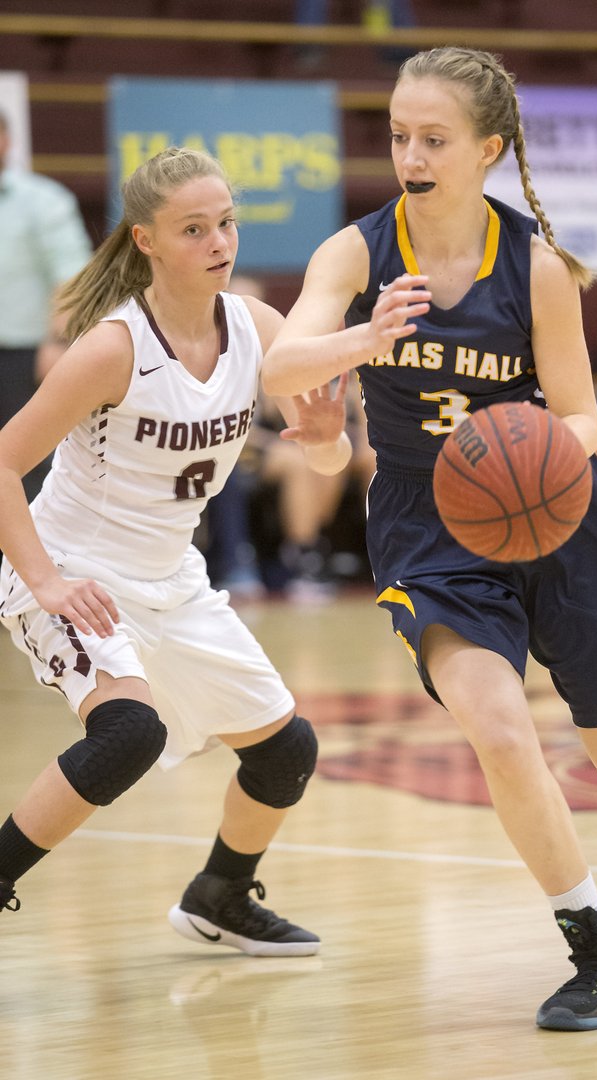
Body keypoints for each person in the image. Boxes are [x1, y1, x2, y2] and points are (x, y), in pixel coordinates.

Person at [262, 46, 597, 1031]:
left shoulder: (537, 267)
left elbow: (586, 420)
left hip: (551, 510)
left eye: (433, 138)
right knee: (500, 732)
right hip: (429, 529)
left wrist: (521, 449)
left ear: (488, 149)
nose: (409, 156)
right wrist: (358, 341)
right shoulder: (356, 252)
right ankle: (596, 950)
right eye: (396, 136)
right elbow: (283, 361)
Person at [0, 147, 352, 956]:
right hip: (77, 572)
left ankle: (220, 897)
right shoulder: (113, 348)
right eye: (194, 229)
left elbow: (326, 461)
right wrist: (46, 581)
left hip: (173, 580)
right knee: (128, 736)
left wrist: (328, 440)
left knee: (286, 751)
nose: (218, 241)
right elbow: (5, 462)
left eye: (225, 222)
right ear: (147, 241)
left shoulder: (259, 330)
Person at [0, 108, 93, 503]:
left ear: (6, 140)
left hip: (23, 354)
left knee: (25, 463)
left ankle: (30, 564)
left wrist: (59, 342)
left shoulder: (43, 201)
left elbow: (71, 277)